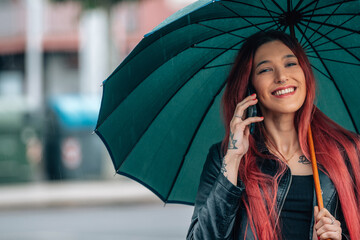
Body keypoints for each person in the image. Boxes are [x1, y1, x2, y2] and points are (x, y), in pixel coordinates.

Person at [186, 30, 360, 240]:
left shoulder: (348, 151)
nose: (282, 77)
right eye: (266, 69)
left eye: (290, 63)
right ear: (251, 86)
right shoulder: (224, 156)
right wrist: (232, 161)